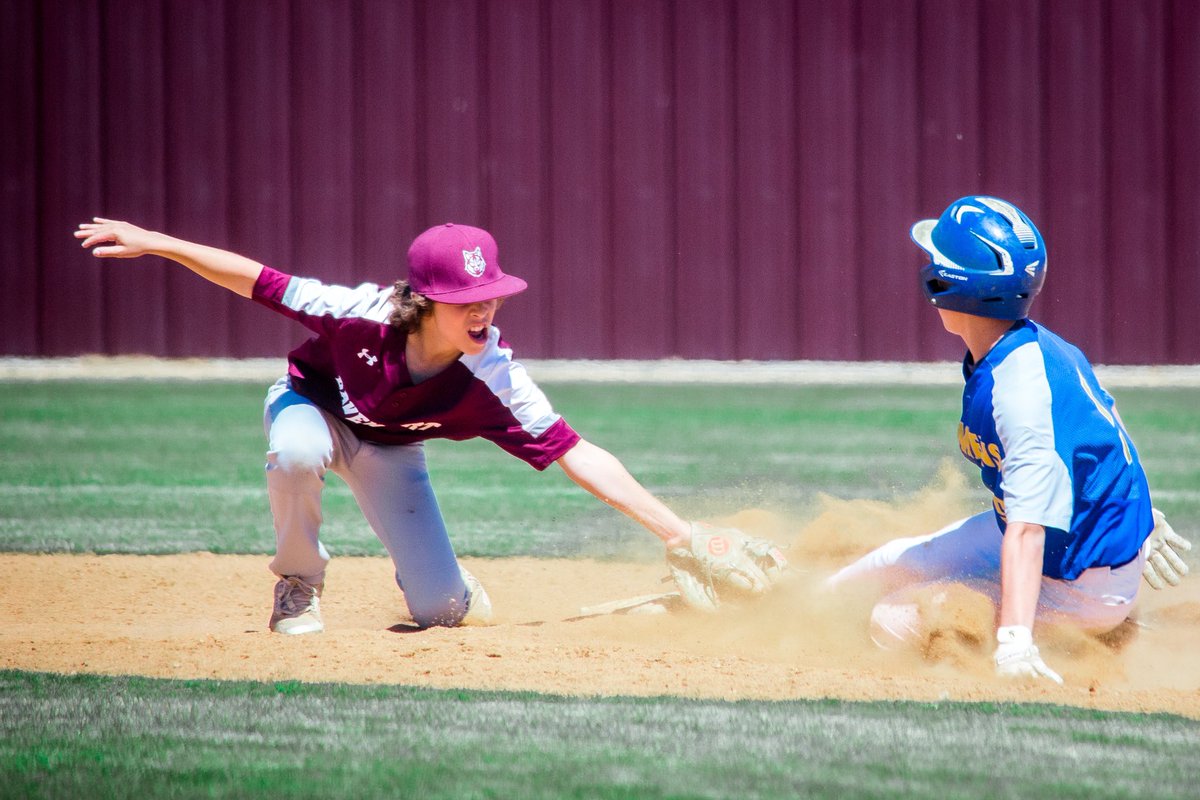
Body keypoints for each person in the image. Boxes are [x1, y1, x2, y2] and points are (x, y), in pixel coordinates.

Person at [75, 218, 785, 633]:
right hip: (313, 409)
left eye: (491, 297)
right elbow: (255, 278)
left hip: (392, 454)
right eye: (466, 300)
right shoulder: (357, 312)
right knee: (294, 453)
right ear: (423, 300)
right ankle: (298, 585)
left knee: (442, 612)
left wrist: (681, 534)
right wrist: (157, 241)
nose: (483, 312)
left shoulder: (493, 375)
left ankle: (455, 588)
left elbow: (575, 452)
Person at [825, 196, 1191, 683]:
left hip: (1080, 582)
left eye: (937, 261)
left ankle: (1085, 638)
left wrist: (1013, 642)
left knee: (892, 621)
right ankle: (781, 601)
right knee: (887, 565)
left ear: (950, 284)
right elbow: (1105, 423)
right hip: (1064, 543)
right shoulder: (1025, 346)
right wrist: (1139, 512)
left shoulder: (1019, 392)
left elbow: (1027, 529)